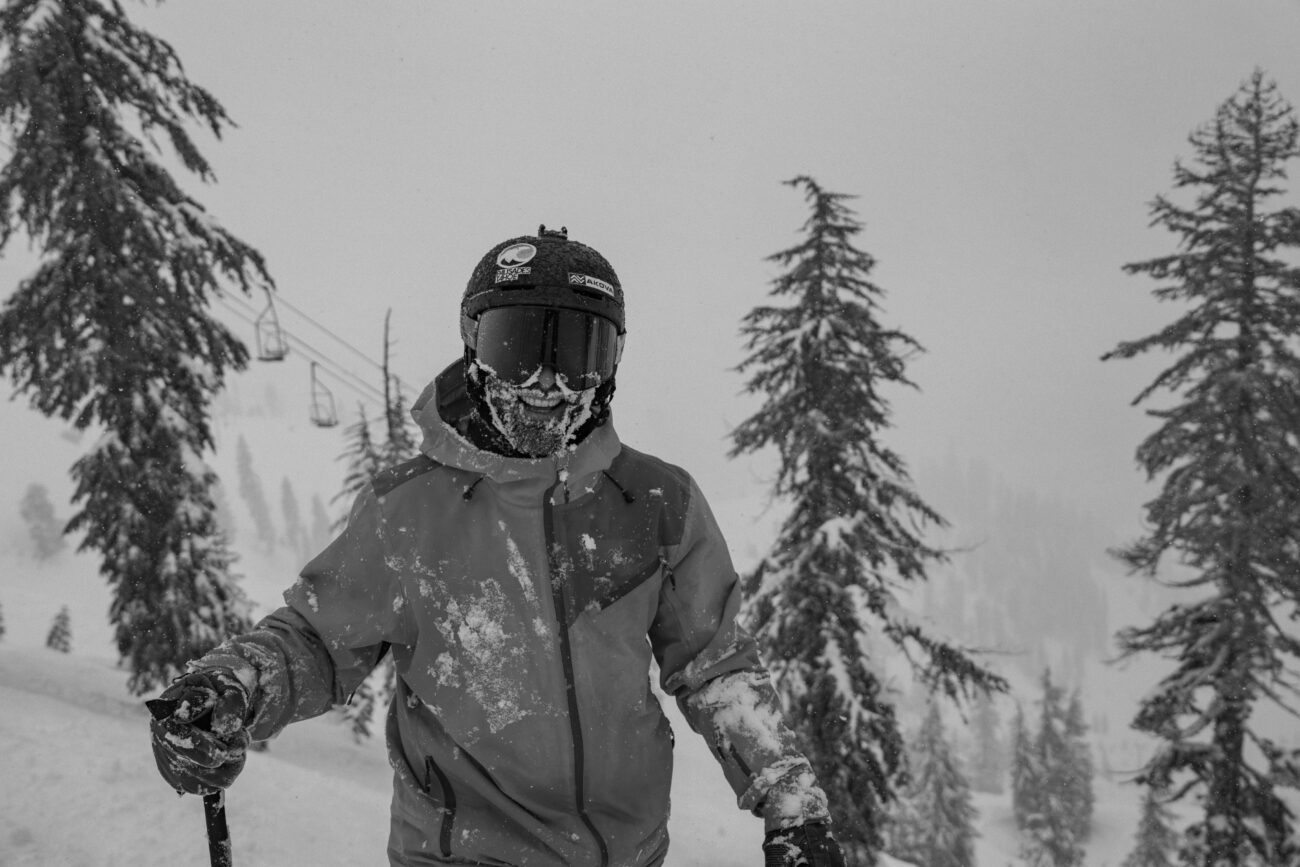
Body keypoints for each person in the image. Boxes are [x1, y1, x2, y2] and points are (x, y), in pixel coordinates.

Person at [150, 226, 846, 867]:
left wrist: (789, 804)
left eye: (576, 352)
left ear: (612, 363)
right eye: (518, 347)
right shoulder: (411, 509)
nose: (546, 382)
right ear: (474, 349)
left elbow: (717, 669)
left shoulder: (658, 503)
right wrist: (235, 685)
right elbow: (315, 639)